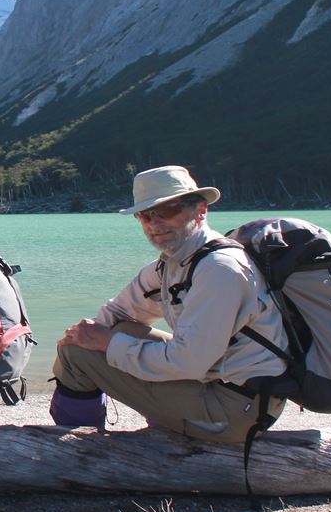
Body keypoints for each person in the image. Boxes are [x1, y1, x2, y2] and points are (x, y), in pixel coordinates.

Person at [51, 165, 288, 442]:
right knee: (112, 332)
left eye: (167, 210)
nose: (154, 223)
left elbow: (189, 363)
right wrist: (84, 335)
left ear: (201, 210)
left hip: (234, 413)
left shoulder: (218, 269)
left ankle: (79, 448)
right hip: (230, 390)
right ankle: (152, 423)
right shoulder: (175, 263)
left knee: (77, 355)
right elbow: (119, 311)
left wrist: (103, 344)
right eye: (145, 215)